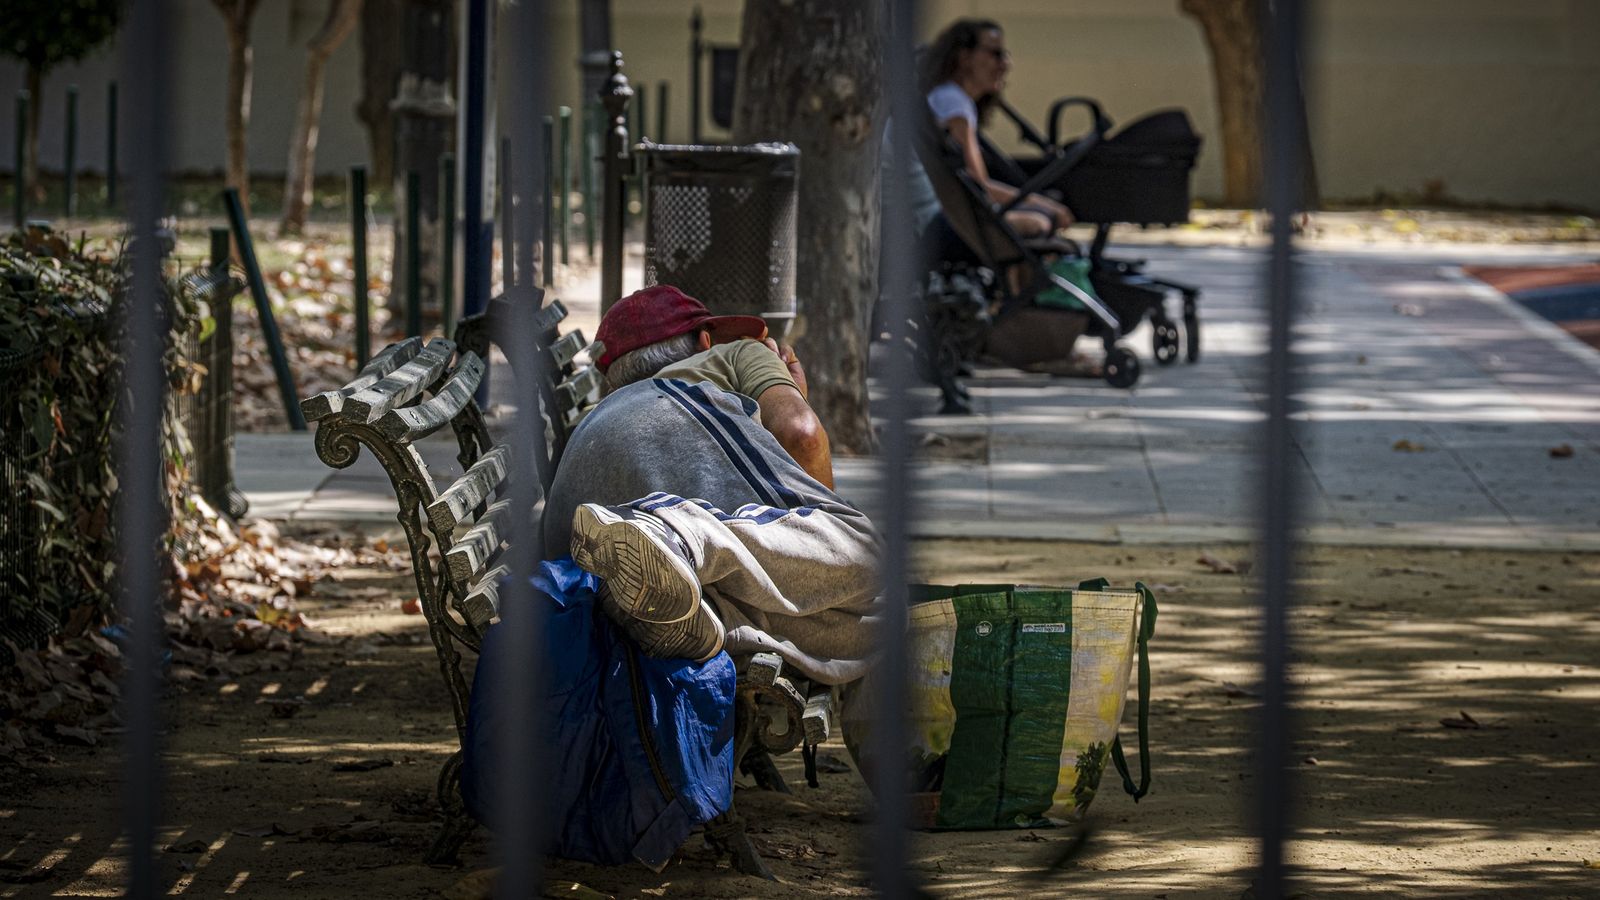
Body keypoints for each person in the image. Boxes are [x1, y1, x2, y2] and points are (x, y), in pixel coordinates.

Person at [543, 284, 884, 686]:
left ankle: (714, 617)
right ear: (705, 341)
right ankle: (681, 538)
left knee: (870, 629)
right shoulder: (734, 354)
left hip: (592, 600)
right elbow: (802, 435)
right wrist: (795, 397)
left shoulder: (595, 421)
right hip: (665, 517)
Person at [921, 18, 1073, 243]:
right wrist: (1043, 205)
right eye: (996, 54)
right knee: (1041, 221)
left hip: (931, 215)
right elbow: (976, 186)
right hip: (934, 221)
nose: (1006, 63)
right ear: (964, 58)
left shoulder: (944, 98)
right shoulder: (954, 105)